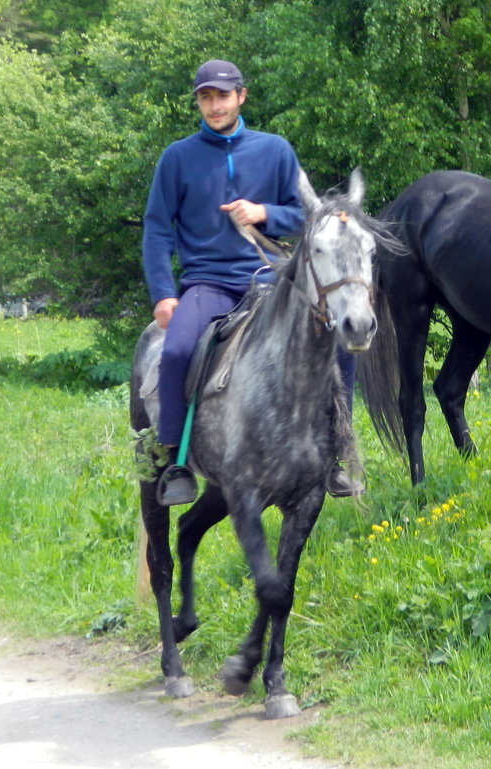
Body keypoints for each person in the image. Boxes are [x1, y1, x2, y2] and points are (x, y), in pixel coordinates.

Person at [142, 59, 361, 506]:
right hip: (208, 282)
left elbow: (309, 216)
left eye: (222, 95)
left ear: (241, 96)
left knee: (339, 340)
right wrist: (164, 293)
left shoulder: (275, 150)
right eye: (206, 97)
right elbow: (157, 229)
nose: (214, 105)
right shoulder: (177, 158)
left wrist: (265, 214)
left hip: (272, 279)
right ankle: (173, 460)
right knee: (179, 349)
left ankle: (335, 455)